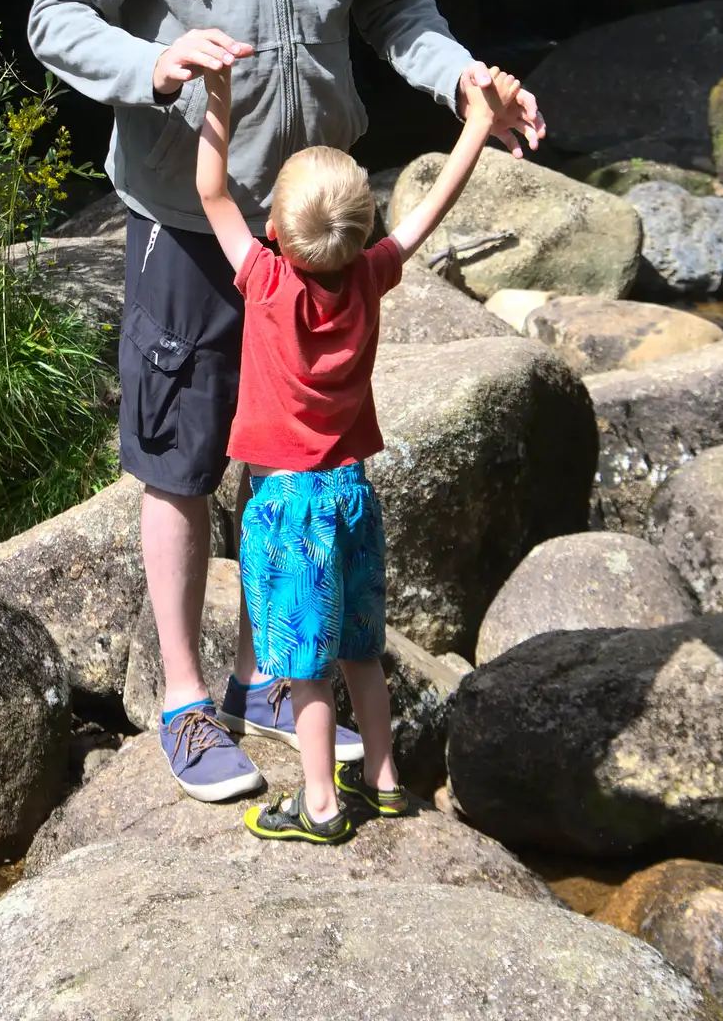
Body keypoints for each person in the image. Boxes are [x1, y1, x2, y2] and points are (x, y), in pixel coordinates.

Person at [27, 0, 544, 803]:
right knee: (179, 461)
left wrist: (462, 78)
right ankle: (180, 700)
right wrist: (157, 63)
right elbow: (55, 15)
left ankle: (271, 673)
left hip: (313, 223)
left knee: (290, 458)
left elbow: (394, 1)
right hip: (188, 212)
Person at [197, 57, 525, 841]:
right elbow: (430, 210)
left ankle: (316, 805)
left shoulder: (268, 284)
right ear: (366, 230)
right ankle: (380, 778)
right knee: (360, 652)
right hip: (351, 495)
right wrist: (477, 123)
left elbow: (210, 192)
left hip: (286, 507)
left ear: (273, 232)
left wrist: (217, 99)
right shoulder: (374, 273)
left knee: (301, 667)